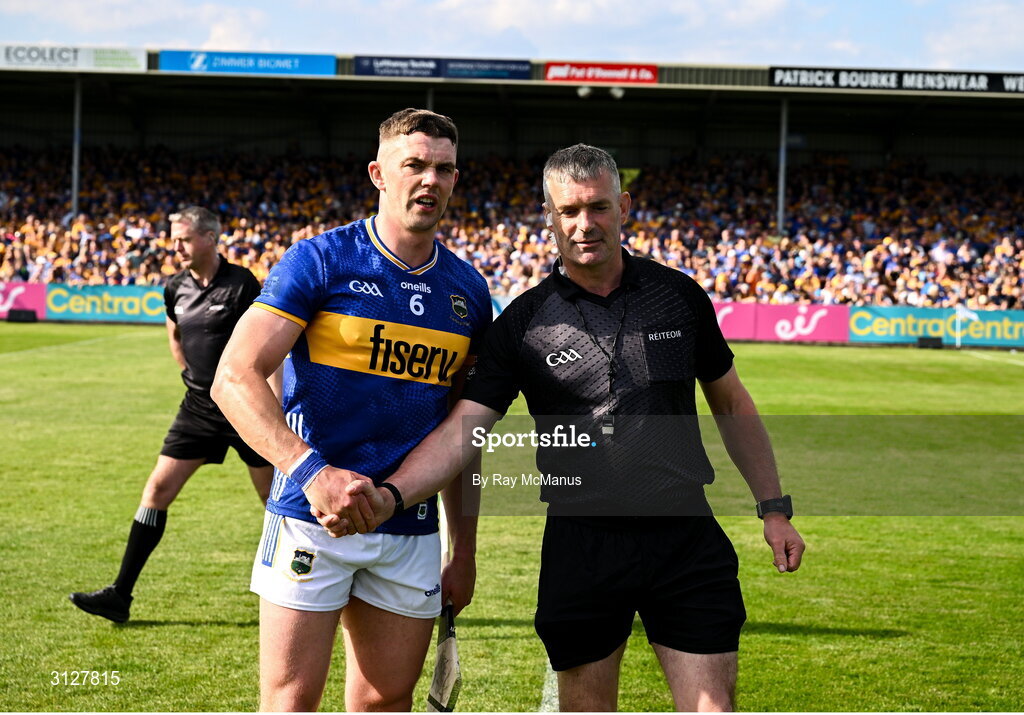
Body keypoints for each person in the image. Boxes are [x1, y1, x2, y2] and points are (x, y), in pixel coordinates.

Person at [321, 144, 807, 712]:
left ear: (623, 206)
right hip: (583, 542)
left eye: (598, 207)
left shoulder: (677, 297)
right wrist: (393, 495)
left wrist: (773, 507)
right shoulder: (523, 325)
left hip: (685, 533)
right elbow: (465, 430)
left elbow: (731, 404)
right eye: (568, 211)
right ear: (548, 218)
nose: (584, 225)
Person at [210, 109, 490, 712]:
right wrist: (311, 472)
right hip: (312, 516)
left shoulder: (469, 291)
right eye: (413, 164)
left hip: (410, 528)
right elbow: (233, 376)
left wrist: (461, 551)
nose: (429, 180)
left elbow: (462, 434)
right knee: (290, 701)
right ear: (379, 174)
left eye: (443, 169)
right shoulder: (320, 261)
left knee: (386, 702)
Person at [69, 206, 273, 623]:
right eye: (173, 238)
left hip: (243, 408)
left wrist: (270, 403)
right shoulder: (174, 286)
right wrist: (187, 372)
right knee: (157, 492)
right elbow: (174, 330)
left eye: (183, 238)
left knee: (275, 503)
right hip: (198, 408)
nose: (175, 246)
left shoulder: (241, 284)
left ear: (211, 238)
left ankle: (301, 593)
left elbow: (266, 344)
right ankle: (119, 596)